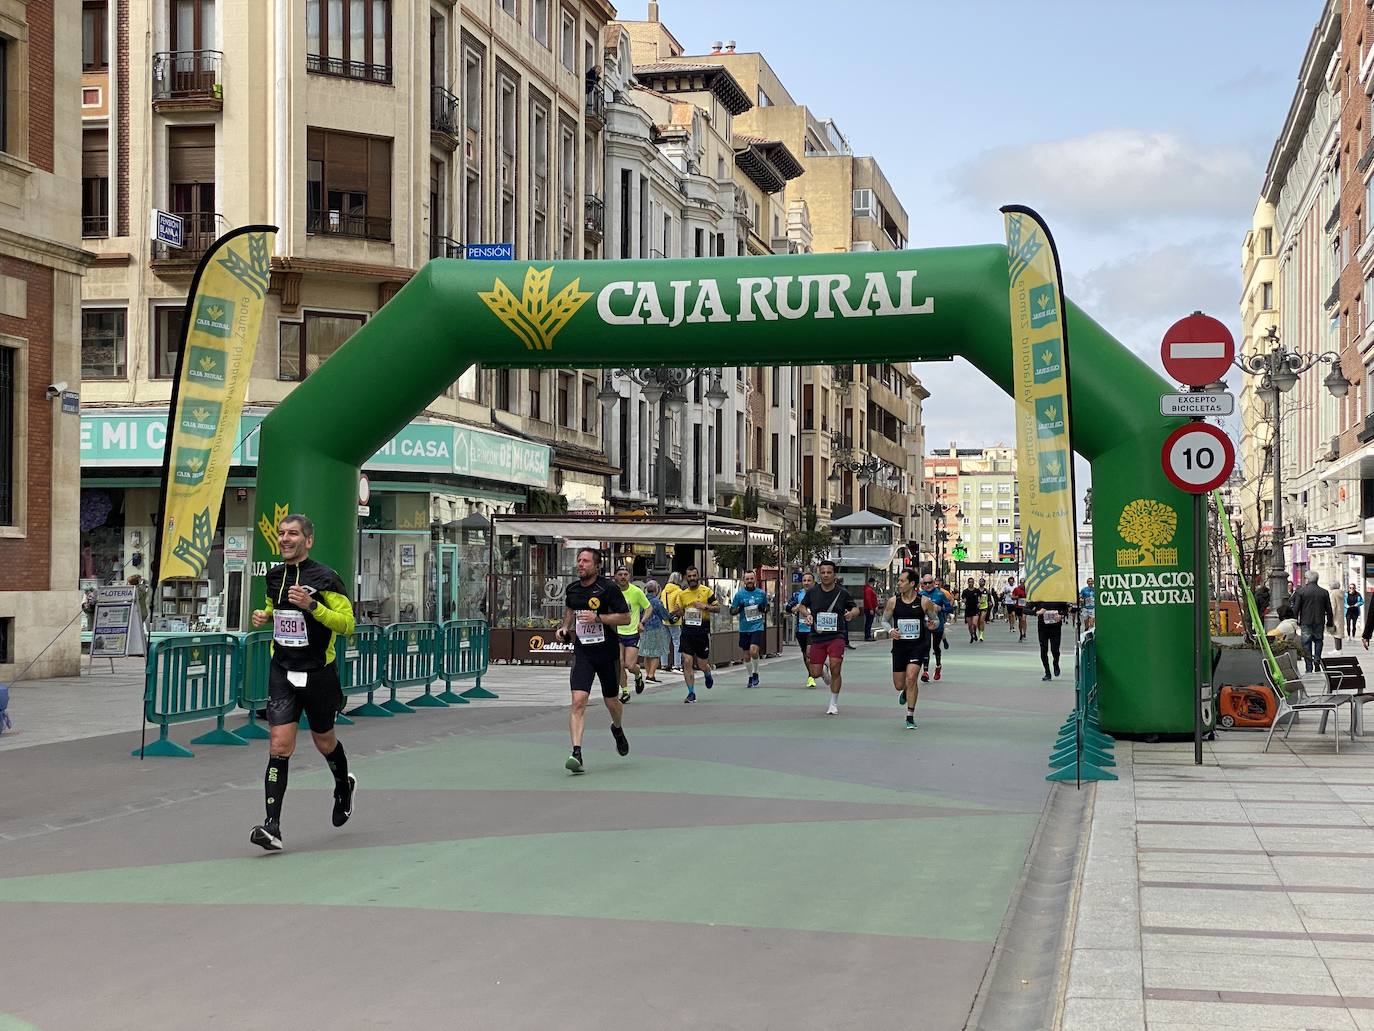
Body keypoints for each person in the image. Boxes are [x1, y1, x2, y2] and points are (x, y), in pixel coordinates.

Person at [248, 513, 357, 852]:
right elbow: (273, 608)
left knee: (324, 741)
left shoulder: (327, 578)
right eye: (281, 533)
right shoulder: (274, 576)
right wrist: (264, 616)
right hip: (282, 669)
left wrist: (312, 606)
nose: (284, 538)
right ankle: (272, 825)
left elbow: (347, 624)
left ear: (308, 540)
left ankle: (343, 786)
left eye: (293, 533)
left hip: (319, 672)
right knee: (279, 745)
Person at [553, 548, 631, 773]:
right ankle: (576, 753)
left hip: (607, 653)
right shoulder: (573, 589)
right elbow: (569, 612)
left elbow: (625, 617)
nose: (580, 564)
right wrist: (564, 629)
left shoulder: (608, 588)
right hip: (583, 652)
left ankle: (617, 728)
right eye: (579, 560)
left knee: (611, 702)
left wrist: (598, 617)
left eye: (585, 561)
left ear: (596, 566)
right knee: (578, 701)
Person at [795, 560, 861, 715]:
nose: (825, 575)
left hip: (836, 635)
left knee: (836, 667)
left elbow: (856, 608)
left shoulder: (842, 592)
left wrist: (851, 614)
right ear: (819, 574)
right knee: (815, 672)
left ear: (834, 574)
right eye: (823, 572)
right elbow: (802, 607)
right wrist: (808, 614)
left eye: (829, 572)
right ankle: (823, 670)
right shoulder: (813, 592)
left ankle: (833, 703)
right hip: (817, 636)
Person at [884, 569, 936, 730]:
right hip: (899, 647)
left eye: (901, 581)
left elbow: (935, 620)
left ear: (912, 584)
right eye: (898, 581)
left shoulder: (924, 601)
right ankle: (905, 691)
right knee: (899, 685)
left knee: (912, 677)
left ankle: (910, 716)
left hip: (917, 646)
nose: (898, 584)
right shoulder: (893, 601)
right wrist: (890, 631)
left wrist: (933, 625)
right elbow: (884, 620)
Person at [669, 566, 719, 702]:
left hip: (701, 632)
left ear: (698, 576)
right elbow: (679, 613)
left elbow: (718, 608)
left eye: (694, 576)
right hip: (687, 632)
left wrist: (705, 607)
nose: (692, 578)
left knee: (702, 664)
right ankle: (691, 693)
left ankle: (707, 673)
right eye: (689, 576)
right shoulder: (682, 594)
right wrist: (677, 611)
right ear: (686, 577)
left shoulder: (706, 591)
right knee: (687, 661)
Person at [613, 565, 651, 702]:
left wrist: (642, 622)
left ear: (629, 577)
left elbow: (648, 607)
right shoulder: (612, 591)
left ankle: (638, 675)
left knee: (629, 665)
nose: (623, 577)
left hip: (632, 632)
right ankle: (625, 691)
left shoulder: (636, 592)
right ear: (615, 576)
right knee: (619, 664)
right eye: (620, 574)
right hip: (616, 632)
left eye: (625, 574)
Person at [730, 570, 770, 688]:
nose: (749, 581)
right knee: (746, 655)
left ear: (755, 580)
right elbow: (732, 611)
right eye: (747, 579)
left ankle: (756, 672)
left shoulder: (761, 593)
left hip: (757, 626)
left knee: (753, 651)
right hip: (744, 628)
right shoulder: (739, 595)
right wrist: (739, 608)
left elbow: (767, 607)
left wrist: (763, 608)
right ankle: (750, 676)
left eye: (751, 579)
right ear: (744, 581)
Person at [1291, 569, 1335, 672]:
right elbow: (1329, 609)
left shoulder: (1301, 591)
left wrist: (1294, 620)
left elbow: (1296, 608)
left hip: (1306, 621)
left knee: (1306, 643)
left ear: (1307, 579)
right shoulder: (1324, 592)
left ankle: (1309, 666)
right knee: (1319, 641)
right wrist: (1329, 622)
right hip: (1319, 621)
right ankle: (1317, 660)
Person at [786, 572, 817, 688]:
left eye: (809, 581)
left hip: (814, 629)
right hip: (801, 629)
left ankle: (811, 677)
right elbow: (788, 608)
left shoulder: (818, 594)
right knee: (805, 655)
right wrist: (796, 608)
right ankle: (812, 673)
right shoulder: (797, 594)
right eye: (804, 581)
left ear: (813, 582)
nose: (806, 583)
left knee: (809, 653)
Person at [919, 574, 952, 681]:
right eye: (925, 583)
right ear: (922, 584)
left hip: (938, 625)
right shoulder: (920, 595)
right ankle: (925, 672)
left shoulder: (940, 594)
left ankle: (938, 666)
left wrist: (940, 608)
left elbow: (950, 608)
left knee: (936, 647)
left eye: (930, 582)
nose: (928, 585)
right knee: (926, 646)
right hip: (925, 624)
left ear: (933, 583)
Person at [639, 580, 670, 683]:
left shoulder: (642, 600)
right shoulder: (657, 601)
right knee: (656, 653)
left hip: (643, 629)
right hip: (655, 629)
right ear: (656, 589)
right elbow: (665, 616)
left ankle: (648, 674)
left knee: (646, 653)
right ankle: (651, 675)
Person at [1031, 601, 1070, 681]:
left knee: (1055, 650)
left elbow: (1066, 609)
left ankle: (1056, 663)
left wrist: (1061, 615)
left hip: (1055, 628)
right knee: (1043, 650)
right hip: (1042, 629)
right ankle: (1047, 673)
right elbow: (1025, 609)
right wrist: (1037, 612)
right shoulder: (1039, 598)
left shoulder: (1058, 597)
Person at [662, 571, 684, 672]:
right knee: (677, 642)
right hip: (674, 620)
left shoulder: (664, 591)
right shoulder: (679, 591)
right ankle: (677, 664)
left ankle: (664, 664)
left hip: (664, 619)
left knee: (665, 643)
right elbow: (679, 606)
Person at [961, 577, 982, 645]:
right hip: (968, 609)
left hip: (975, 609)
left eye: (972, 582)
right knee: (970, 625)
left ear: (973, 583)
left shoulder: (977, 591)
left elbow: (979, 598)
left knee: (974, 624)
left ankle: (975, 632)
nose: (971, 583)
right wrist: (964, 601)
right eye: (969, 582)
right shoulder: (965, 591)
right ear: (968, 583)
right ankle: (972, 635)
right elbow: (963, 599)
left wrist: (979, 603)